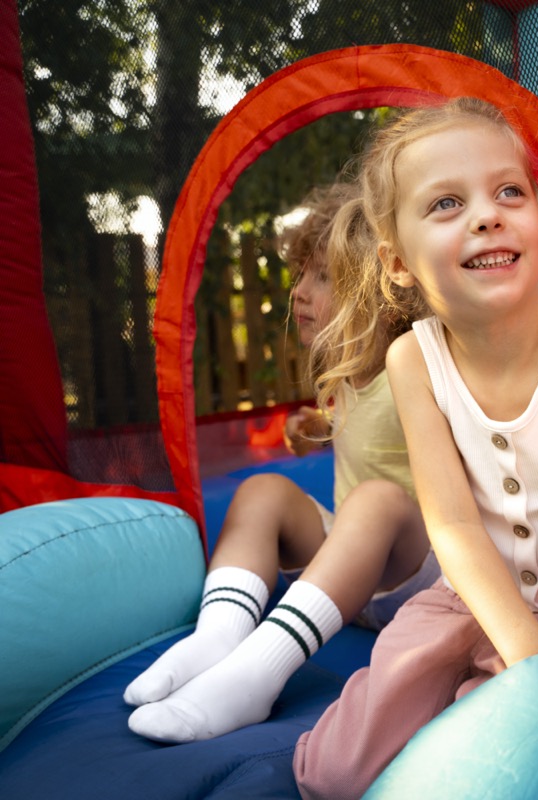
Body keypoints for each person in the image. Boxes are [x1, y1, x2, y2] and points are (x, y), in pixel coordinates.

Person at [292, 97, 538, 800]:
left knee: (520, 758)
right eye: (447, 204)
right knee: (334, 775)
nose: (487, 215)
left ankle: (477, 706)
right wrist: (529, 659)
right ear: (398, 263)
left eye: (510, 192)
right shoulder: (415, 359)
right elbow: (454, 527)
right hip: (462, 601)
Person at [124, 182, 439, 743]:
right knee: (262, 490)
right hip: (348, 574)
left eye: (323, 277)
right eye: (302, 275)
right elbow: (363, 428)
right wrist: (316, 425)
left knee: (377, 501)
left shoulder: (415, 366)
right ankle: (219, 634)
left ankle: (256, 674)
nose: (300, 293)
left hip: (420, 572)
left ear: (380, 293)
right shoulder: (344, 372)